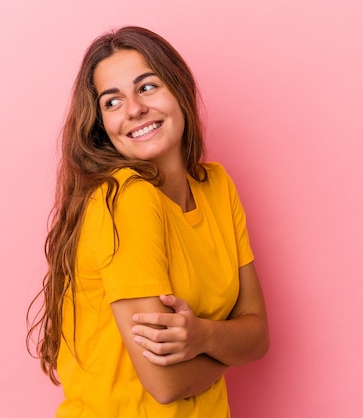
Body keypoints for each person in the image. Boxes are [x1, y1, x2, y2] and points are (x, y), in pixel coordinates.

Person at [27, 26, 269, 417]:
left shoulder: (217, 186)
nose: (133, 110)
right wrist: (229, 345)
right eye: (112, 101)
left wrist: (203, 336)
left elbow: (259, 336)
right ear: (101, 126)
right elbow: (166, 383)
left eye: (147, 87)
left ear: (179, 89)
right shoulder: (126, 197)